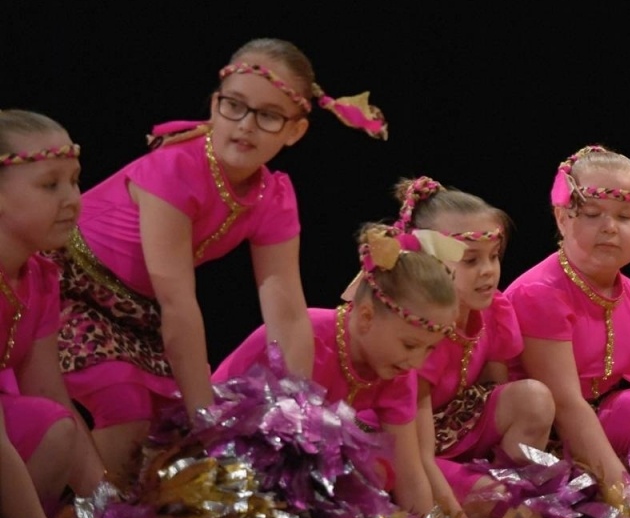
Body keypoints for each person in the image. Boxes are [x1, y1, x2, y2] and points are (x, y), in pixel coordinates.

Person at [53, 38, 387, 484]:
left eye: (267, 116)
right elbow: (177, 304)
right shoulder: (177, 168)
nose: (246, 126)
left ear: (295, 131)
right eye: (235, 106)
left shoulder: (274, 194)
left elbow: (286, 308)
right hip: (69, 288)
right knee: (128, 411)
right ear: (214, 105)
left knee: (165, 435)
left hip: (135, 315)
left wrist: (299, 406)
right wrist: (205, 417)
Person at [212, 222, 463, 518]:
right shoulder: (307, 338)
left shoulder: (398, 374)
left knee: (373, 474)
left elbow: (410, 474)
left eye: (429, 349)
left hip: (297, 472)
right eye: (410, 345)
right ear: (367, 317)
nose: (418, 363)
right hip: (226, 451)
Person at [507, 146, 630, 497]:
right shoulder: (540, 293)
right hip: (542, 437)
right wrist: (622, 491)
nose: (610, 228)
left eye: (626, 217)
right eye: (593, 214)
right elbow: (566, 405)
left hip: (599, 419)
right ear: (562, 217)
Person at [391, 176, 554, 515]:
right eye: (470, 260)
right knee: (495, 502)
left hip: (452, 431)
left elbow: (492, 393)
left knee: (533, 397)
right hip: (405, 448)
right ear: (429, 262)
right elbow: (418, 454)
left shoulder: (494, 309)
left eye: (493, 257)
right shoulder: (413, 332)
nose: (488, 271)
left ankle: (512, 498)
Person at [0, 111, 106, 518]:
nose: (72, 198)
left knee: (54, 426)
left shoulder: (39, 276)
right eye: (49, 185)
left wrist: (112, 514)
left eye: (74, 180)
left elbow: (48, 393)